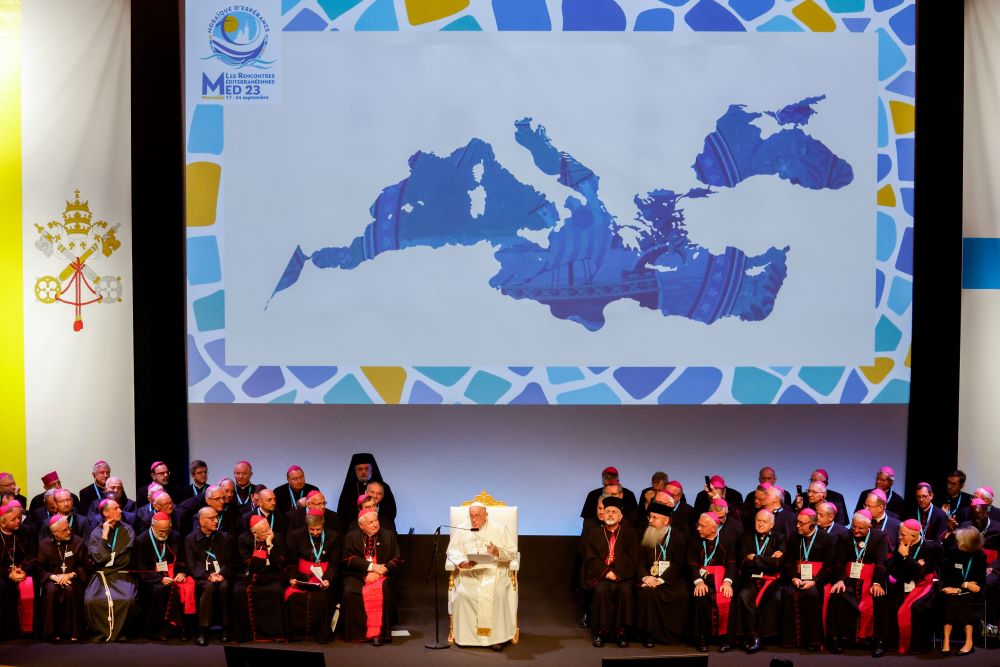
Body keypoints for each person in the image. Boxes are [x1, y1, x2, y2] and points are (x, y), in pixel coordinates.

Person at [446, 502, 517, 651]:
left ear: (486, 515)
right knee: (463, 594)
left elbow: (512, 552)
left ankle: (496, 639)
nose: (474, 520)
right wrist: (462, 562)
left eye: (477, 516)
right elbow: (452, 551)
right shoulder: (462, 528)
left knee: (497, 593)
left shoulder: (499, 529)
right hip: (470, 572)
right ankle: (466, 638)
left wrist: (497, 551)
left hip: (494, 571)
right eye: (471, 516)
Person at [824, 510, 890, 657]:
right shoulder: (844, 536)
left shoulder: (880, 537)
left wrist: (877, 583)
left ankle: (879, 642)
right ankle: (834, 639)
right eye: (854, 527)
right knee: (836, 596)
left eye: (860, 528)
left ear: (870, 526)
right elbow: (839, 562)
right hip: (848, 579)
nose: (856, 530)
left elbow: (881, 563)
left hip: (871, 579)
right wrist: (840, 579)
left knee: (879, 599)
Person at [581, 496, 638, 648]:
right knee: (600, 590)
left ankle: (622, 633)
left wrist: (617, 573)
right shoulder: (594, 533)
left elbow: (632, 556)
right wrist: (606, 572)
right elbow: (591, 558)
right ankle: (600, 633)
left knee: (625, 591)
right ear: (602, 514)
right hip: (602, 576)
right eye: (607, 511)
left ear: (621, 516)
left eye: (614, 512)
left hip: (623, 576)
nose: (610, 514)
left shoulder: (630, 533)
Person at [341, 507, 402, 645]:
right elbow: (347, 559)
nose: (375, 524)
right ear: (361, 525)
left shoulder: (388, 535)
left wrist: (381, 570)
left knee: (383, 589)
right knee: (349, 592)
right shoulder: (351, 537)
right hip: (358, 575)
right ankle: (357, 634)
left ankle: (379, 634)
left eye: (376, 520)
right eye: (371, 522)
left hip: (382, 574)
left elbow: (397, 559)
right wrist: (369, 569)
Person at [728, 509, 785, 653]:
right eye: (758, 521)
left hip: (771, 580)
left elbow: (777, 564)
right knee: (743, 596)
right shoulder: (746, 537)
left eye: (764, 521)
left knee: (774, 598)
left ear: (771, 524)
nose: (760, 524)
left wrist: (754, 558)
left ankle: (763, 637)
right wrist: (768, 560)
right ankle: (750, 635)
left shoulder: (780, 538)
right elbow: (742, 562)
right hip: (751, 578)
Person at [780, 508, 836, 651]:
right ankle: (792, 640)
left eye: (801, 523)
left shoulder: (827, 538)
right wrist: (793, 578)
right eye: (797, 522)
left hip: (817, 579)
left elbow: (829, 567)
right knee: (787, 593)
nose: (797, 526)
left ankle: (813, 641)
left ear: (812, 524)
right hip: (797, 577)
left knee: (812, 595)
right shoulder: (793, 537)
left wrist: (815, 581)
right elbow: (788, 562)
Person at [285, 507, 342, 643]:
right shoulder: (296, 535)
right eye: (312, 530)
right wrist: (292, 578)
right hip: (302, 576)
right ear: (307, 526)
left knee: (323, 599)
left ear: (323, 525)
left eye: (318, 529)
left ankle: (320, 635)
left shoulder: (333, 536)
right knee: (294, 598)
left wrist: (328, 579)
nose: (315, 532)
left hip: (324, 577)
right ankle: (297, 635)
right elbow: (291, 562)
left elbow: (334, 564)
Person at [635, 501, 688, 647]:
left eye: (654, 518)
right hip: (649, 577)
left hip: (671, 579)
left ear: (666, 520)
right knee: (647, 593)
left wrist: (662, 580)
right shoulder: (643, 534)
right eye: (650, 517)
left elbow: (679, 563)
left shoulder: (678, 536)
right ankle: (647, 634)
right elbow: (638, 561)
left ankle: (672, 634)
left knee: (682, 594)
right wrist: (646, 577)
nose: (650, 521)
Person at [84, 499, 137, 642]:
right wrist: (104, 536)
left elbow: (124, 559)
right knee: (91, 600)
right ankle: (101, 633)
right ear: (106, 513)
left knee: (127, 599)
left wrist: (108, 559)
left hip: (121, 574)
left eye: (119, 507)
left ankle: (119, 633)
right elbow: (99, 558)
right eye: (116, 508)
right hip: (100, 575)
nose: (120, 511)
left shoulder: (127, 529)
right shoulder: (97, 532)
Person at [888, 519, 941, 654]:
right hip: (904, 583)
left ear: (914, 536)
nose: (900, 537)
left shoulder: (930, 548)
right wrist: (913, 564)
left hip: (924, 585)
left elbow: (919, 573)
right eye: (900, 534)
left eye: (903, 535)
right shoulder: (901, 544)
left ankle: (918, 645)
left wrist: (906, 558)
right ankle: (895, 642)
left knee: (917, 607)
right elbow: (894, 569)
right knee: (891, 602)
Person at [688, 511, 737, 653]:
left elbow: (732, 564)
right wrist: (698, 581)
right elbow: (691, 563)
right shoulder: (694, 540)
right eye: (698, 525)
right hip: (701, 578)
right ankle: (700, 638)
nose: (698, 528)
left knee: (727, 597)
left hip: (721, 578)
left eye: (702, 526)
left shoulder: (728, 540)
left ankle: (726, 639)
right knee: (699, 597)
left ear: (713, 528)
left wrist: (727, 582)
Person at [185, 506, 235, 646]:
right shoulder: (190, 539)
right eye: (211, 518)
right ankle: (202, 630)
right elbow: (192, 564)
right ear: (201, 521)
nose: (216, 521)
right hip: (202, 578)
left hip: (221, 575)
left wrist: (221, 574)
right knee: (209, 587)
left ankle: (226, 628)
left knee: (224, 586)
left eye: (217, 517)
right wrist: (207, 576)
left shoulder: (224, 537)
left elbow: (230, 561)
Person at [233, 513, 288, 642]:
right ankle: (246, 634)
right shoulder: (244, 539)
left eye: (269, 528)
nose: (269, 532)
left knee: (275, 591)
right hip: (250, 576)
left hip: (272, 575)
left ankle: (274, 633)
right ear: (255, 533)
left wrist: (269, 543)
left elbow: (278, 563)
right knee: (238, 592)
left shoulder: (276, 537)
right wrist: (265, 562)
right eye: (265, 531)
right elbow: (248, 563)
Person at [36, 515, 86, 642]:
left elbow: (85, 565)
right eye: (64, 530)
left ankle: (74, 632)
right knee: (52, 590)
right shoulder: (44, 545)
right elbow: (40, 568)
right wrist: (53, 577)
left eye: (68, 528)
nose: (68, 532)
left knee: (70, 589)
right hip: (53, 579)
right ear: (54, 533)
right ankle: (52, 632)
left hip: (73, 578)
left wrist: (71, 574)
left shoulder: (78, 542)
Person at [940, 526, 987, 656]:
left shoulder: (980, 556)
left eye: (959, 540)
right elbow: (947, 574)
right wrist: (964, 584)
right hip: (954, 587)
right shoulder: (953, 552)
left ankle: (968, 641)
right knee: (950, 600)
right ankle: (946, 641)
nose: (957, 542)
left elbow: (978, 582)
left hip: (973, 593)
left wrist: (962, 587)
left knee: (964, 602)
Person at [0, 501, 37, 640]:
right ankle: (6, 631)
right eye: (14, 519)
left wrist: (25, 570)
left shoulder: (26, 531)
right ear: (2, 523)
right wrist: (8, 574)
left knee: (32, 583)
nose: (18, 521)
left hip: (23, 571)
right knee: (2, 586)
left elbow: (32, 556)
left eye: (19, 517)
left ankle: (28, 630)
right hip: (3, 573)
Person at [336, 453, 398, 533]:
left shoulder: (383, 487)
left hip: (381, 529)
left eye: (366, 469)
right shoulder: (349, 489)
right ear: (355, 470)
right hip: (356, 532)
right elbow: (342, 515)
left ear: (372, 469)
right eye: (360, 469)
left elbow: (391, 512)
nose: (363, 472)